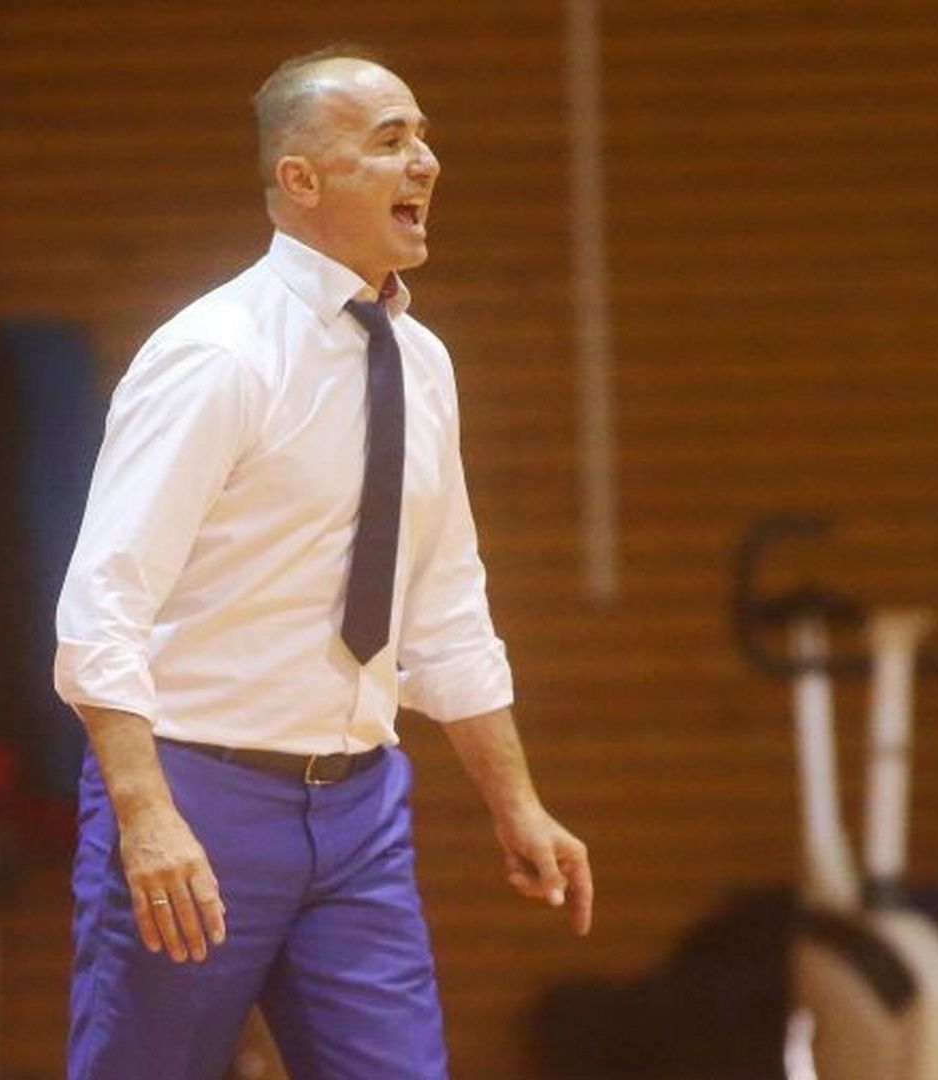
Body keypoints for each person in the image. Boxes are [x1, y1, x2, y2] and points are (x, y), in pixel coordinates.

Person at [55, 48, 594, 1080]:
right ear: (300, 179)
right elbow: (102, 602)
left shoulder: (422, 362)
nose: (425, 161)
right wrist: (146, 814)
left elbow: (445, 608)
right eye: (389, 141)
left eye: (424, 136)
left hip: (359, 813)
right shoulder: (216, 354)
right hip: (198, 792)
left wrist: (516, 803)